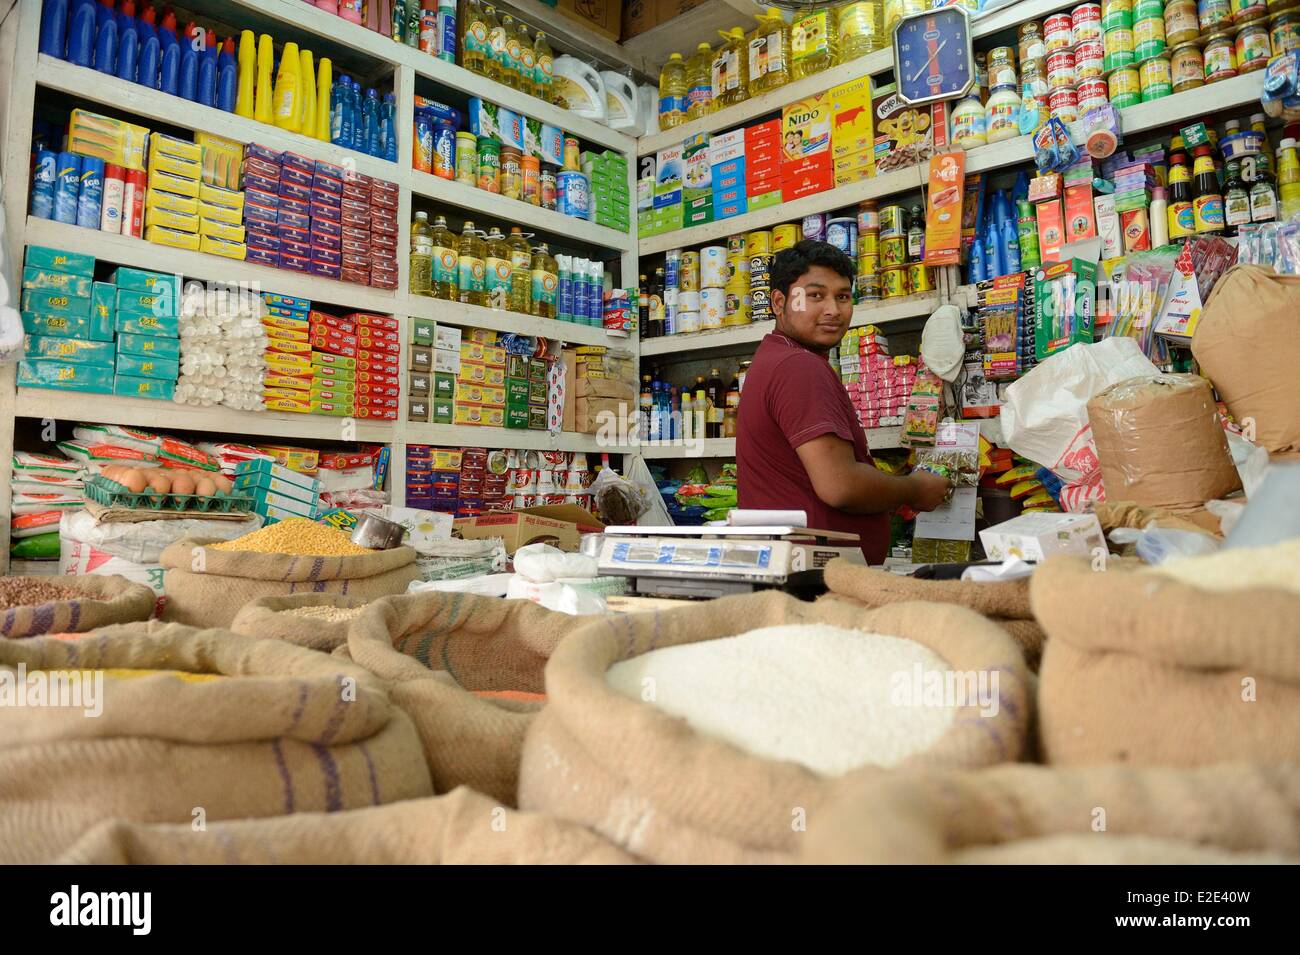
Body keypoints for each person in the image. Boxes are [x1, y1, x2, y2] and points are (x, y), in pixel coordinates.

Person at [736, 240, 951, 563]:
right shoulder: (797, 366)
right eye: (815, 296)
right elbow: (840, 485)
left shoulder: (776, 359)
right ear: (779, 302)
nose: (833, 310)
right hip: (815, 577)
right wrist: (914, 489)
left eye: (843, 296)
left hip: (797, 565)